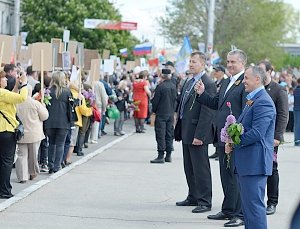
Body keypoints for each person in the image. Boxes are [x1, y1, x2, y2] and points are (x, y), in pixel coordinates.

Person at [195, 49, 247, 227]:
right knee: (225, 175)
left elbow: (245, 112)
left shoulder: (244, 83)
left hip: (235, 138)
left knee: (235, 176)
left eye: (233, 62)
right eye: (228, 61)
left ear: (242, 63)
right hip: (223, 137)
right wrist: (202, 94)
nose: (229, 65)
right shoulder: (226, 81)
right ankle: (228, 209)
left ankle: (239, 214)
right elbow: (216, 103)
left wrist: (236, 136)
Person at [226, 65, 276, 228]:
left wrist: (234, 142)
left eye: (246, 78)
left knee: (254, 208)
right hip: (248, 162)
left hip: (255, 163)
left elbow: (257, 133)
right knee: (248, 208)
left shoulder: (263, 101)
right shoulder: (253, 99)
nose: (243, 81)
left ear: (257, 79)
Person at [175, 51, 216, 213]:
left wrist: (200, 135)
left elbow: (207, 112)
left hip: (198, 132)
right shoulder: (188, 81)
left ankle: (205, 201)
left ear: (203, 64)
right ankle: (193, 196)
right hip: (186, 129)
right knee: (189, 166)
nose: (191, 64)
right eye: (190, 61)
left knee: (201, 168)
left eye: (194, 62)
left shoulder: (208, 83)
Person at [258, 60, 289, 215]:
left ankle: (272, 202)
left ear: (270, 71)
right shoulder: (256, 88)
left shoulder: (278, 90)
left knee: (271, 169)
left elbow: (283, 114)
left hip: (271, 138)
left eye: (262, 70)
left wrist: (277, 136)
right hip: (256, 136)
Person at [0, 70, 28, 198]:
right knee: (7, 162)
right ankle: (5, 190)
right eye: (4, 78)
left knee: (2, 161)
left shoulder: (3, 94)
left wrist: (17, 85)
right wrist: (25, 84)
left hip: (2, 131)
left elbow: (11, 98)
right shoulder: (1, 92)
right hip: (6, 130)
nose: (6, 80)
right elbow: (21, 98)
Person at [16, 84, 49, 183]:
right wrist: (43, 106)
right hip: (34, 133)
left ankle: (22, 176)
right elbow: (44, 116)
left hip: (21, 133)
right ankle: (32, 173)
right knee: (33, 155)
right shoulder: (35, 103)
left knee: (22, 155)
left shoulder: (16, 103)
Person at [44, 71, 71, 173]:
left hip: (50, 121)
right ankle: (56, 166)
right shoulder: (67, 92)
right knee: (60, 144)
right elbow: (71, 107)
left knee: (51, 143)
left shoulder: (48, 91)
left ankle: (50, 165)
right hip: (63, 122)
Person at [150, 68, 177, 163]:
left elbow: (155, 101)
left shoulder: (160, 86)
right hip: (170, 113)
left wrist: (154, 110)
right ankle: (168, 155)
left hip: (161, 113)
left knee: (161, 134)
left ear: (162, 76)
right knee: (169, 134)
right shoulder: (173, 86)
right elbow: (176, 100)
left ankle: (161, 155)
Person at [209, 64, 227, 160]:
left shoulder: (224, 82)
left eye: (217, 71)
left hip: (220, 110)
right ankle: (216, 150)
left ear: (222, 72)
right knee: (215, 130)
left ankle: (220, 152)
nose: (215, 72)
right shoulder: (216, 82)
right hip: (215, 110)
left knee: (220, 130)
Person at [294, 78, 300, 146]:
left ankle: (296, 140)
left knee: (296, 125)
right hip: (298, 108)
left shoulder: (295, 90)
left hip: (295, 108)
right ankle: (298, 140)